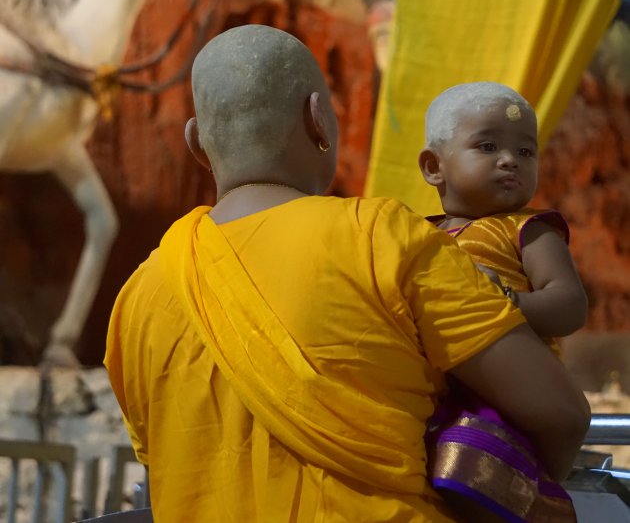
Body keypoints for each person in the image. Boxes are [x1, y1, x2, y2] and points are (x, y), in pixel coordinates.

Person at [104, 26, 590, 523]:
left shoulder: (137, 297)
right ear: (318, 120)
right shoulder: (382, 236)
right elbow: (561, 415)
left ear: (196, 143)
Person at [418, 81, 589, 520]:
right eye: (488, 145)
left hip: (506, 391)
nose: (510, 159)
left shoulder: (528, 230)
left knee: (477, 482)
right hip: (435, 386)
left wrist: (505, 301)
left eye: (526, 152)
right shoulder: (418, 234)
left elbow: (569, 304)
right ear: (434, 166)